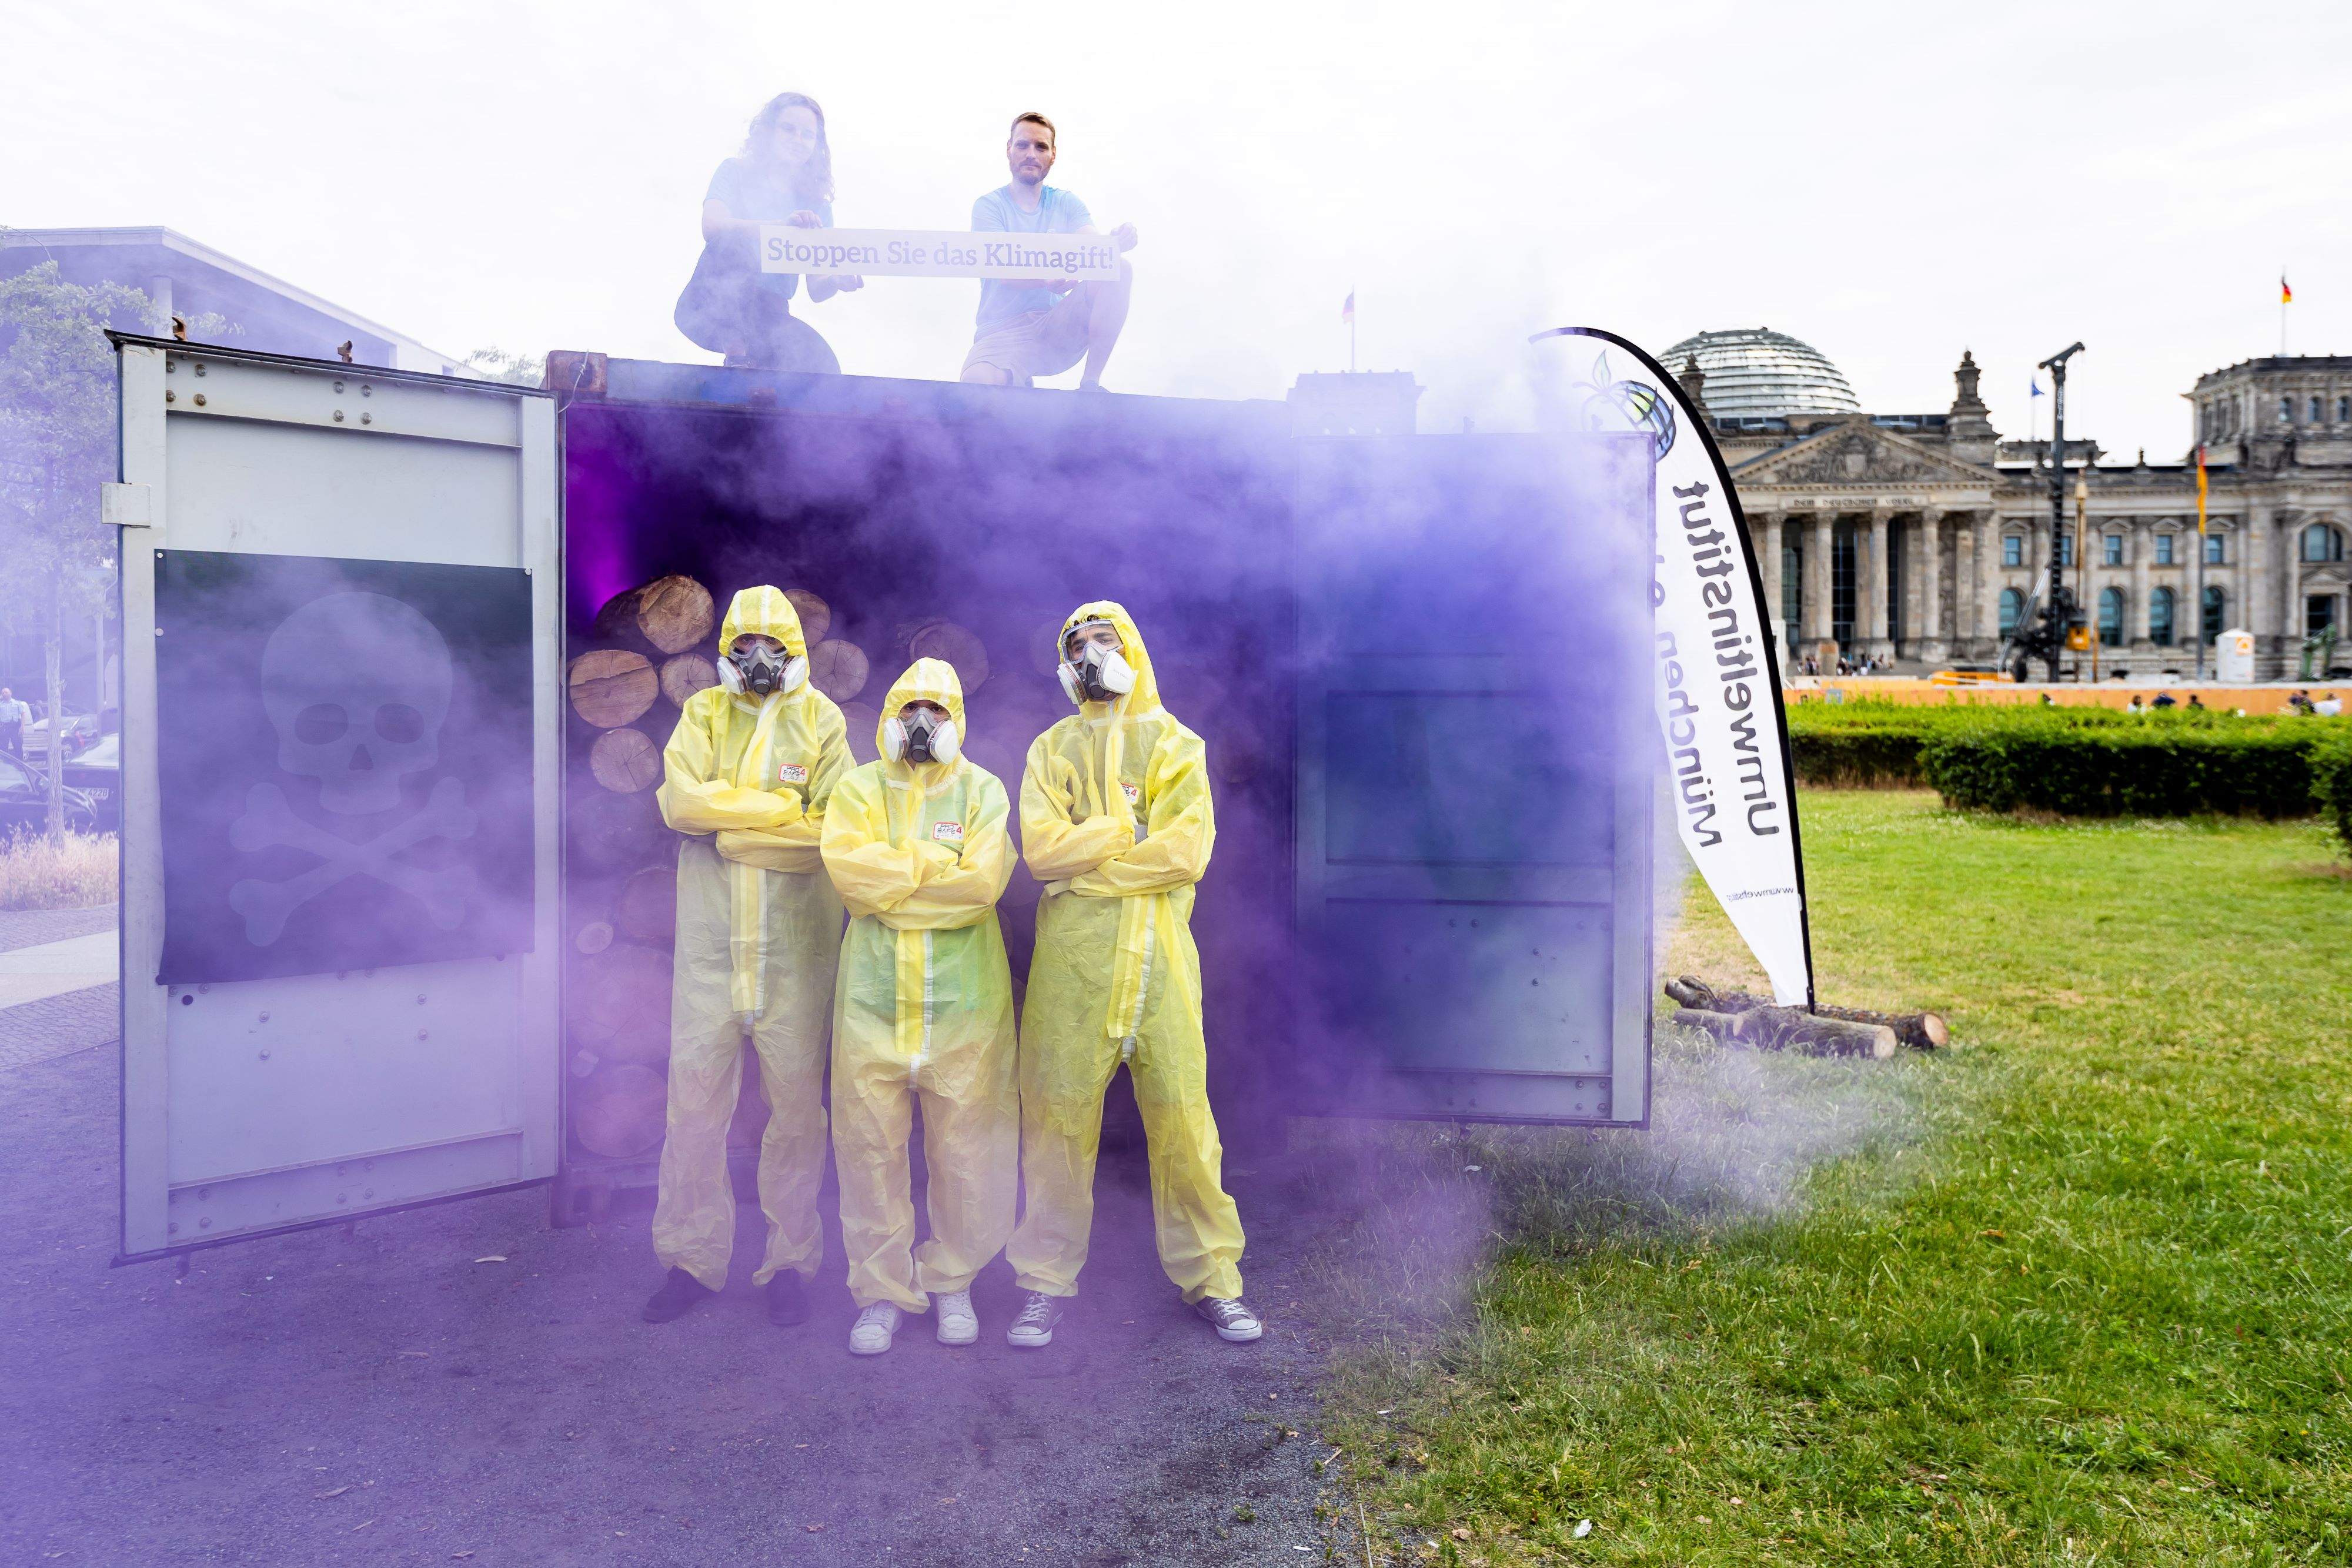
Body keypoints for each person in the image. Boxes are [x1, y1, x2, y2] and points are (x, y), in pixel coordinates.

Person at [1004, 603, 1257, 1349]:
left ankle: (1212, 1281)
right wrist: (1121, 836)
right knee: (1055, 1125)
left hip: (1162, 973)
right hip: (1073, 977)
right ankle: (1044, 1283)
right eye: (1074, 645)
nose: (1087, 654)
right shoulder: (1051, 748)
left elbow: (1186, 855)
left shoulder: (1178, 743)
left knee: (1184, 1125)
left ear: (1134, 649)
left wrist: (1088, 870)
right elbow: (1042, 855)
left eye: (1102, 640)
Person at [643, 587, 851, 1327]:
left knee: (796, 1116)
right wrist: (773, 814)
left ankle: (790, 1262)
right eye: (743, 644)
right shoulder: (702, 714)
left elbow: (833, 830)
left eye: (773, 643)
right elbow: (680, 805)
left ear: (795, 649)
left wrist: (729, 828)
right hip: (710, 957)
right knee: (693, 1110)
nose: (759, 659)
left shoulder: (823, 721)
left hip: (795, 956)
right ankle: (690, 1262)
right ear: (725, 651)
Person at [820, 659, 1019, 1356]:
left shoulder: (982, 790)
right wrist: (938, 868)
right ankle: (880, 1293)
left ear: (957, 720)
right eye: (911, 708)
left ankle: (951, 1282)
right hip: (873, 1004)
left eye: (937, 710)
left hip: (963, 1006)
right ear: (890, 716)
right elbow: (849, 874)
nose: (922, 723)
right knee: (868, 1151)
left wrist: (893, 879)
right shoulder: (857, 787)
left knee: (965, 1150)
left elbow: (983, 887)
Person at [676, 91, 863, 373]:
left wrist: (837, 279)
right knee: (733, 240)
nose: (797, 140)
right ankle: (736, 357)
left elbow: (817, 288)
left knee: (824, 369)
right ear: (769, 132)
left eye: (807, 135)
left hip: (773, 315)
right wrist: (778, 229)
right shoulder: (734, 171)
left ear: (817, 144)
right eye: (788, 129)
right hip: (717, 306)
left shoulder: (818, 206)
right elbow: (712, 226)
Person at [960, 112, 1138, 390]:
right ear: (1009, 149)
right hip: (1001, 333)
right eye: (1023, 145)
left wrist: (1113, 244)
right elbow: (999, 271)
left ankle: (1091, 385)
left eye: (1041, 147)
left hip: (1054, 327)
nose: (1032, 153)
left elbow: (1092, 246)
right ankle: (1016, 379)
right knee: (975, 383)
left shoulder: (1066, 203)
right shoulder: (989, 206)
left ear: (1053, 155)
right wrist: (1045, 280)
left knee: (1120, 269)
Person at [0, 688, 25, 758]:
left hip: (15, 727)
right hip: (4, 728)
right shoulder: (1, 704)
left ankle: (20, 766)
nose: (4, 694)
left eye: (6, 692)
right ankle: (4, 767)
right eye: (3, 693)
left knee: (18, 747)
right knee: (3, 749)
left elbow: (23, 714)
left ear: (11, 693)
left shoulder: (17, 703)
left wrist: (22, 727)